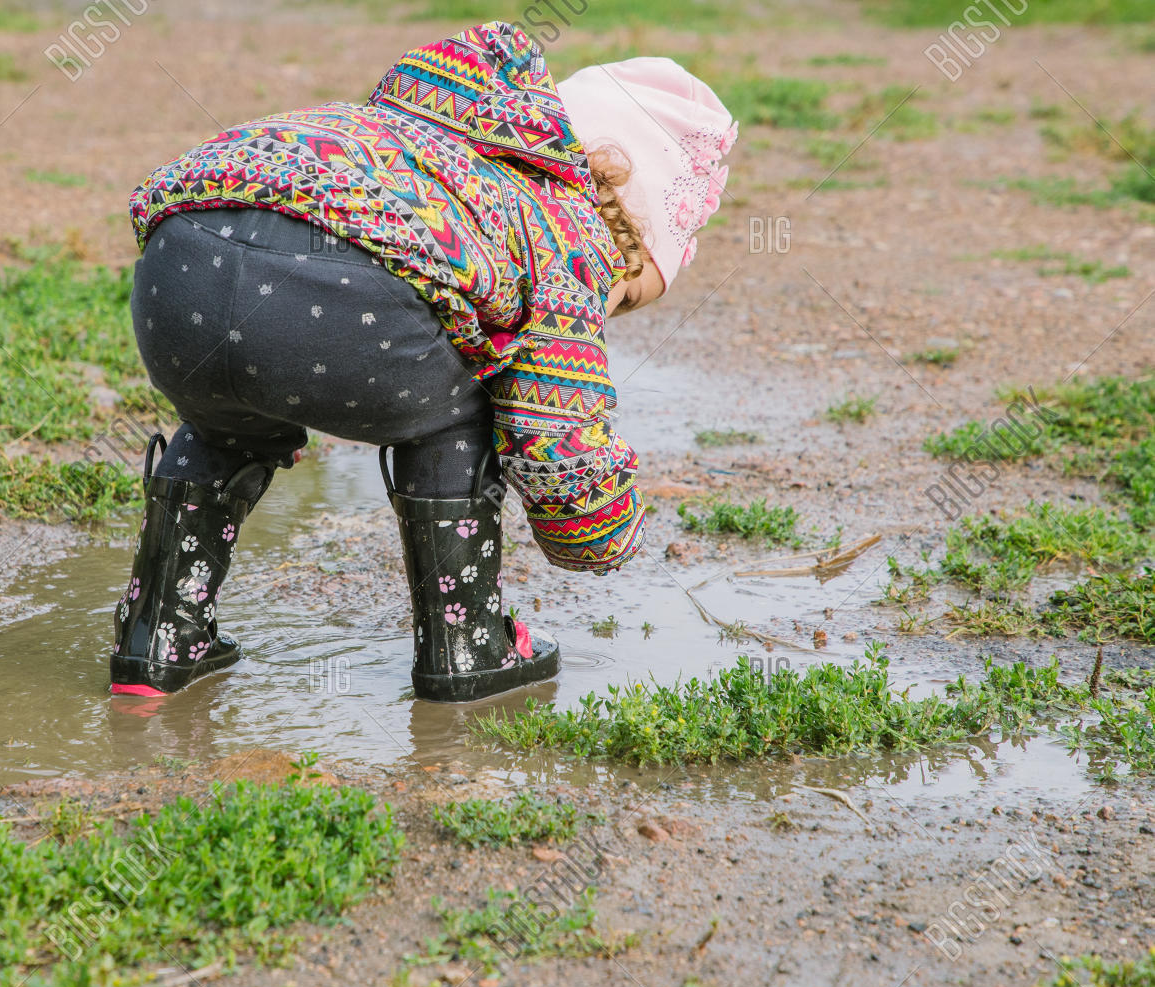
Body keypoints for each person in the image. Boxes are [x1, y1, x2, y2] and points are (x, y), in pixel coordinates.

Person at [111, 21, 735, 703]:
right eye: (629, 293)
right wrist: (602, 532)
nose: (610, 310)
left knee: (226, 422)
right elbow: (556, 435)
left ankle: (159, 638)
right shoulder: (568, 229)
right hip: (342, 302)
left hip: (176, 274)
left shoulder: (425, 144)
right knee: (483, 383)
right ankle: (465, 647)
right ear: (632, 232)